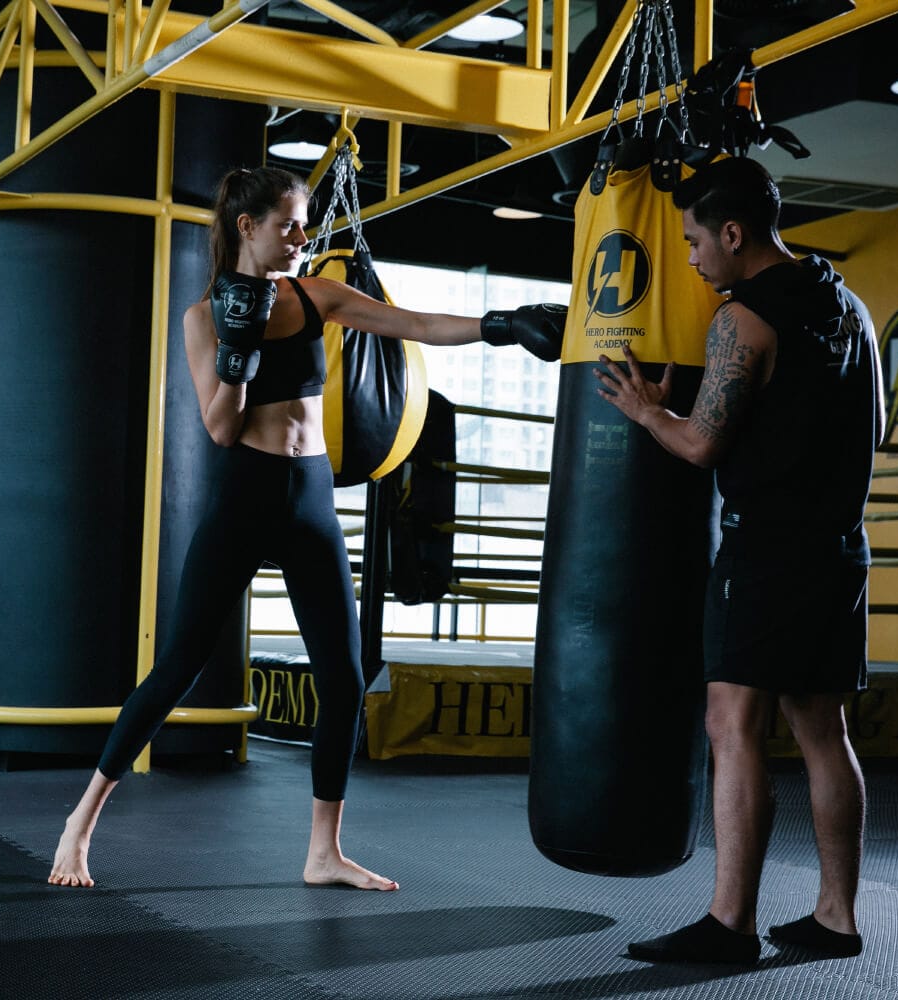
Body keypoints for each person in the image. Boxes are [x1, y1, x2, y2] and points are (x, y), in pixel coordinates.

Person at [48, 165, 563, 891]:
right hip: (247, 494)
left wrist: (500, 326)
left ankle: (324, 852)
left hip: (310, 498)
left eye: (305, 222)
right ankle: (80, 823)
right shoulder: (202, 319)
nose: (302, 236)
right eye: (288, 224)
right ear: (247, 227)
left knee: (344, 679)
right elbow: (220, 429)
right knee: (178, 668)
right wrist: (238, 354)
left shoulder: (316, 294)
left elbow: (415, 325)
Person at [593, 156, 884, 963]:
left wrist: (648, 413)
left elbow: (699, 445)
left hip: (766, 550)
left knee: (732, 725)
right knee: (824, 731)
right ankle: (836, 918)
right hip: (840, 548)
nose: (689, 258)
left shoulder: (741, 320)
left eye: (694, 241)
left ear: (732, 232)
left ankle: (730, 924)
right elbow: (873, 425)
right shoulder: (850, 306)